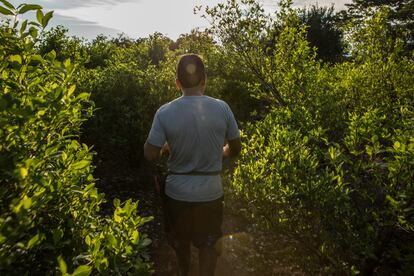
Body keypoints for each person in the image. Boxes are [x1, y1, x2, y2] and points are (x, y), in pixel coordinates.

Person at [144, 54, 241, 276]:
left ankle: (184, 271)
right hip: (211, 192)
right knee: (208, 244)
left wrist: (166, 147)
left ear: (177, 83)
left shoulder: (165, 112)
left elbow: (150, 154)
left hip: (177, 193)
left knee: (181, 241)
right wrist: (221, 152)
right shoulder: (222, 108)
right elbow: (235, 148)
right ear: (204, 80)